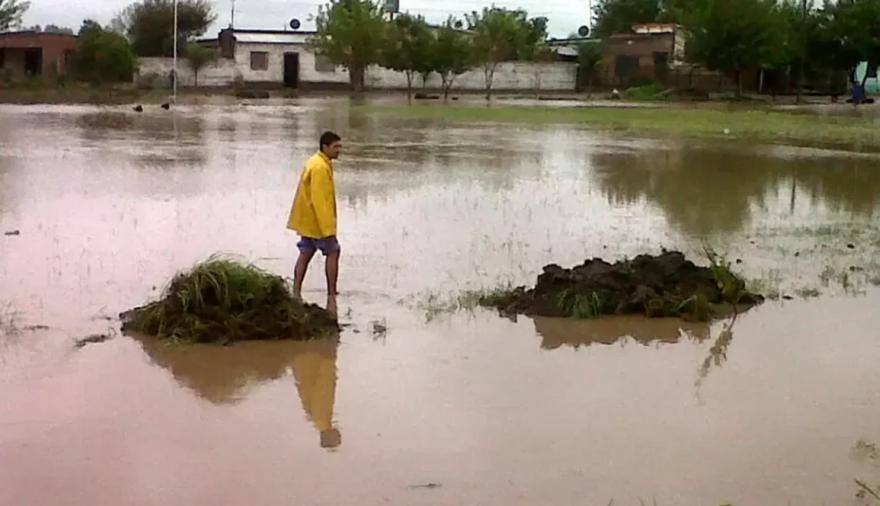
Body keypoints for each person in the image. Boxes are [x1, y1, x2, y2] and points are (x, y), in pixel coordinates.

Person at [288, 131, 342, 316]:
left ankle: (296, 291)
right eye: (335, 147)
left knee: (305, 252)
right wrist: (328, 229)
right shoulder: (320, 167)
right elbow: (320, 200)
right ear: (325, 147)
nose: (338, 150)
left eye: (339, 146)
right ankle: (331, 294)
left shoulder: (316, 162)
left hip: (308, 222)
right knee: (333, 251)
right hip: (317, 223)